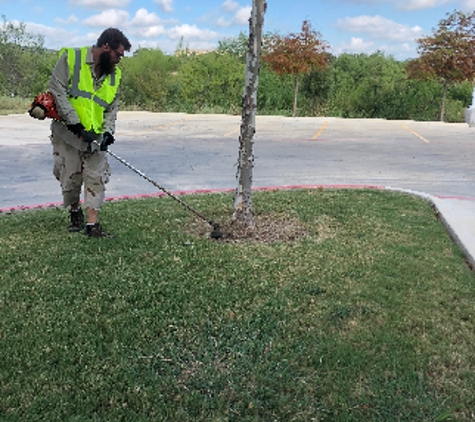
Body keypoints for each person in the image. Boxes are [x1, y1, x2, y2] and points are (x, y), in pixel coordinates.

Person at [49, 28, 131, 238]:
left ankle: (92, 225)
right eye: (118, 54)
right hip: (68, 134)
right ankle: (75, 212)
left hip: (94, 138)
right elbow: (56, 90)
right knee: (70, 177)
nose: (119, 60)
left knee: (96, 177)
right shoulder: (71, 58)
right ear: (105, 47)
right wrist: (75, 125)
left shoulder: (115, 75)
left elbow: (112, 107)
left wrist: (107, 132)